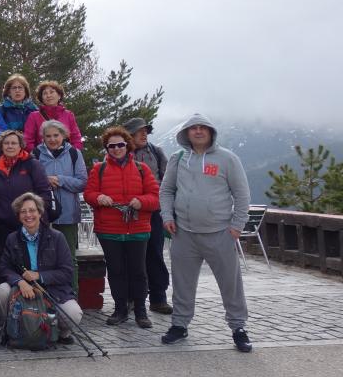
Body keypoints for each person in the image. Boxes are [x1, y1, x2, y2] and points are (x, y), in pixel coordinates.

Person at [159, 113, 253, 352]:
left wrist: (236, 226)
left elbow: (242, 194)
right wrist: (167, 216)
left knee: (230, 284)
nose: (198, 131)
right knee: (182, 283)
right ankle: (179, 325)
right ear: (186, 133)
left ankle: (238, 328)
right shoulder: (178, 158)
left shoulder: (227, 159)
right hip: (184, 233)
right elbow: (166, 190)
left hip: (220, 232)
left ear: (211, 132)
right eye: (193, 128)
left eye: (203, 128)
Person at [85, 126, 160, 327]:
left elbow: (155, 197)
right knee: (116, 271)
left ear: (127, 146)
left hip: (137, 229)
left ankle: (140, 311)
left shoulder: (142, 169)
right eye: (112, 146)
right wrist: (99, 197)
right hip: (109, 230)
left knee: (138, 271)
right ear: (107, 148)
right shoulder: (98, 169)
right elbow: (89, 194)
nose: (117, 149)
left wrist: (141, 202)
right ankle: (120, 309)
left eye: (120, 145)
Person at [0, 192, 82, 344]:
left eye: (32, 210)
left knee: (74, 314)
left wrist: (40, 276)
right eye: (23, 211)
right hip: (23, 291)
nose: (28, 215)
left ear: (40, 213)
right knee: (1, 290)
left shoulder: (57, 237)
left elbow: (67, 271)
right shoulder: (12, 238)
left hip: (53, 291)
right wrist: (19, 282)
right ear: (18, 216)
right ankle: (10, 328)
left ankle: (61, 333)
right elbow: (4, 267)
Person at [0, 130, 53, 281]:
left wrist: (37, 216)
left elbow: (44, 193)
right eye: (6, 143)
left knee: (32, 264)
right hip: (3, 226)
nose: (10, 146)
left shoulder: (32, 164)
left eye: (13, 143)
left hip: (30, 224)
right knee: (9, 266)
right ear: (1, 146)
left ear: (20, 146)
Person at [33, 119, 87, 291]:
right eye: (48, 136)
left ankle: (72, 294)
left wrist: (60, 180)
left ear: (63, 135)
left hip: (68, 214)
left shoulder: (74, 153)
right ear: (43, 138)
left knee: (69, 258)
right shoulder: (36, 153)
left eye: (56, 135)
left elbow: (82, 182)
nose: (52, 139)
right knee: (41, 257)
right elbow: (31, 180)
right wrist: (45, 180)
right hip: (43, 214)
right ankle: (46, 299)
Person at [125, 117, 172, 315]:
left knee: (155, 254)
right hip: (129, 213)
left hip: (153, 212)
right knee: (131, 257)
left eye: (146, 131)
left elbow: (168, 180)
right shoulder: (119, 151)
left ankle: (158, 298)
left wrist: (152, 196)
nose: (144, 134)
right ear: (129, 135)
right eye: (139, 131)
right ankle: (133, 299)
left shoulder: (156, 152)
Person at [24, 80, 84, 152]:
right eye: (45, 93)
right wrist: (38, 154)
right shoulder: (34, 116)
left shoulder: (68, 115)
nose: (48, 95)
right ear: (42, 98)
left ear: (59, 96)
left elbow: (76, 138)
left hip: (66, 158)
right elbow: (27, 140)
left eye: (52, 92)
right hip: (42, 159)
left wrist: (72, 154)